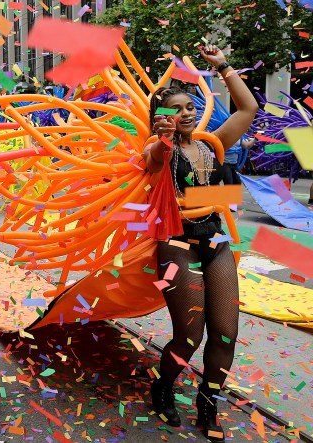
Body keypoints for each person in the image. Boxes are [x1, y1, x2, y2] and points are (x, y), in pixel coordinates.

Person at [143, 45, 258, 442]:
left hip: (217, 242)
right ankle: (163, 386)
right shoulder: (157, 149)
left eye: (189, 105)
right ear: (161, 117)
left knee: (225, 332)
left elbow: (247, 111)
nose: (187, 112)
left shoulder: (212, 144)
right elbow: (155, 156)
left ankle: (208, 403)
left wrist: (223, 66)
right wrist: (164, 137)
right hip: (177, 247)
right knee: (189, 336)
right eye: (176, 108)